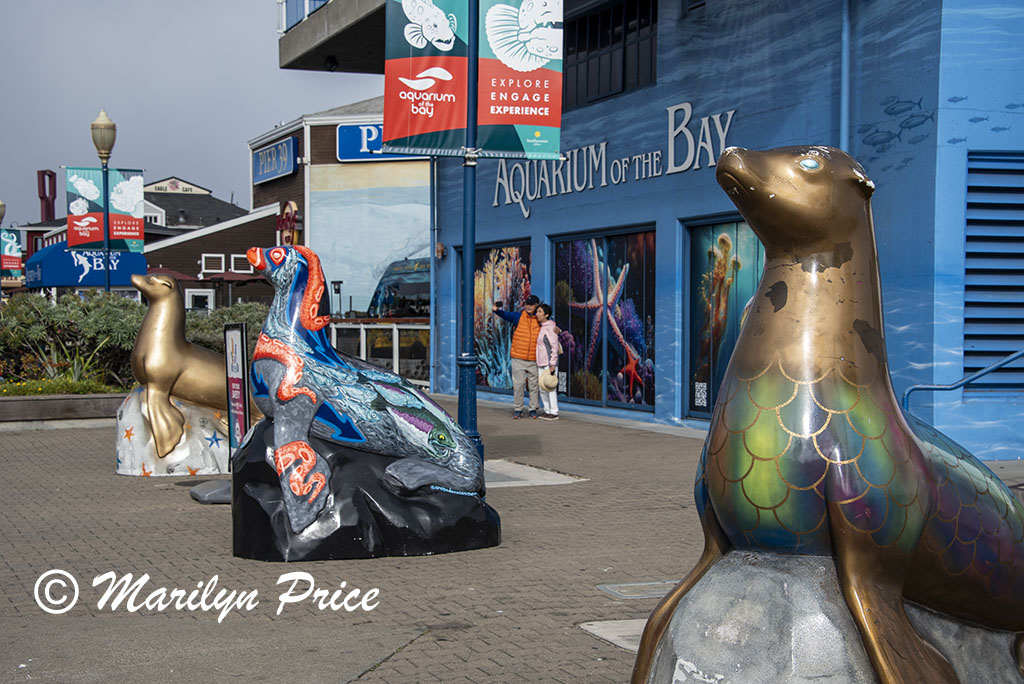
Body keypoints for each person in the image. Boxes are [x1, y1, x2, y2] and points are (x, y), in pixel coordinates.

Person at [492, 294, 541, 418]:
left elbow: (550, 327)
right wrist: (496, 310)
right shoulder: (518, 317)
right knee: (518, 385)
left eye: (531, 304)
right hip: (518, 357)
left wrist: (558, 330)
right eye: (527, 304)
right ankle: (518, 409)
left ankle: (533, 409)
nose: (528, 306)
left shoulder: (540, 320)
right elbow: (505, 315)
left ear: (536, 305)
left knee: (533, 386)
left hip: (534, 359)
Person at [534, 303, 559, 420]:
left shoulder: (550, 328)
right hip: (541, 362)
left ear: (546, 314)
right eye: (537, 311)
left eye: (540, 312)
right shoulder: (542, 327)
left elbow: (554, 347)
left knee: (550, 387)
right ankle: (547, 410)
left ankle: (554, 412)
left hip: (549, 364)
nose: (537, 314)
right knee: (543, 388)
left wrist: (552, 364)